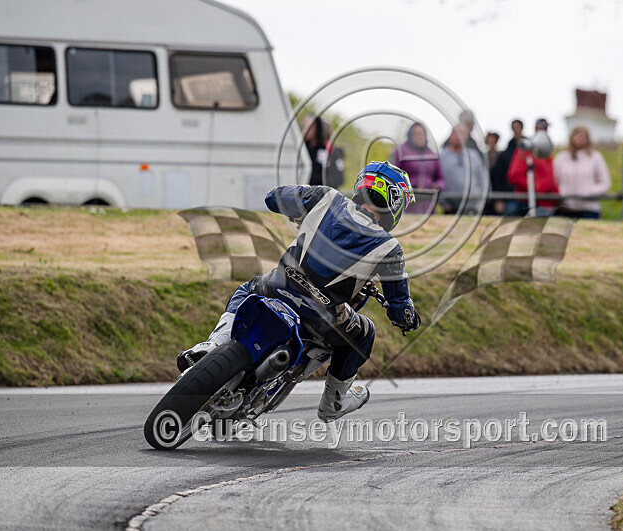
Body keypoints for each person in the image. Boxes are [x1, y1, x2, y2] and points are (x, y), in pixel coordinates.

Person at [176, 161, 422, 422]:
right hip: (323, 316)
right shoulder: (390, 248)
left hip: (277, 286)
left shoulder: (325, 197)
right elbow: (400, 307)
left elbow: (273, 198)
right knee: (365, 333)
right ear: (395, 203)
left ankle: (214, 343)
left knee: (246, 289)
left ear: (362, 184)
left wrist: (300, 208)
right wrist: (407, 319)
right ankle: (334, 402)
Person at [552, 125, 612, 219]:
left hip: (589, 209)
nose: (579, 139)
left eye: (582, 136)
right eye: (577, 135)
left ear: (588, 139)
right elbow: (554, 181)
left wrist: (588, 192)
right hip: (565, 208)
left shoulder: (595, 157)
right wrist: (562, 193)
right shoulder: (561, 158)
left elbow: (605, 183)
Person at [390, 122, 444, 214]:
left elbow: (441, 179)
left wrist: (436, 186)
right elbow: (393, 176)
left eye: (422, 134)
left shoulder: (432, 155)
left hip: (428, 206)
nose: (420, 137)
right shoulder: (400, 152)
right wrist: (412, 186)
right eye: (416, 134)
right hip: (406, 206)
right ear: (410, 135)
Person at [507, 118, 559, 213]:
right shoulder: (526, 148)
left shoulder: (546, 151)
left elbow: (550, 177)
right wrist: (535, 188)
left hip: (547, 203)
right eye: (541, 128)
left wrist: (555, 195)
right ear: (536, 128)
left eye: (545, 128)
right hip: (529, 202)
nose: (544, 131)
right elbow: (514, 175)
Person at [440, 124, 487, 214]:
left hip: (473, 207)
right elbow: (438, 181)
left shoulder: (474, 156)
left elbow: (483, 180)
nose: (458, 137)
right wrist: (444, 203)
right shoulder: (442, 157)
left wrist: (480, 202)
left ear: (466, 137)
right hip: (450, 208)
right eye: (456, 133)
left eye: (462, 134)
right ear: (450, 136)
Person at [488, 119, 524, 215]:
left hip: (528, 196)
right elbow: (498, 177)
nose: (516, 130)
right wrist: (499, 199)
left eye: (517, 127)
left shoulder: (530, 149)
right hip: (510, 196)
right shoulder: (506, 153)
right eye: (514, 127)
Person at [302, 115, 328, 186]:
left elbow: (325, 174)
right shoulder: (301, 149)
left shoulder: (323, 149)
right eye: (303, 127)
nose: (305, 131)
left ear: (317, 129)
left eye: (309, 128)